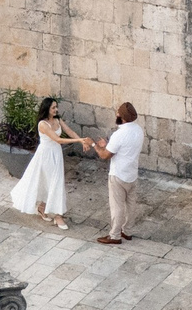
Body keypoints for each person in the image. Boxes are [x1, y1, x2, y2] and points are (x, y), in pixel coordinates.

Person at [8, 95, 84, 230]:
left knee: (54, 182)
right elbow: (57, 139)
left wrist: (82, 139)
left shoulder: (57, 119)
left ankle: (43, 207)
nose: (56, 109)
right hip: (46, 156)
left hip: (56, 154)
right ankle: (58, 215)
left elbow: (69, 131)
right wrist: (77, 141)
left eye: (56, 107)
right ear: (47, 109)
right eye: (53, 107)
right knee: (53, 182)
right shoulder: (43, 125)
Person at [93, 102, 146, 245]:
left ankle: (115, 235)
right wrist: (108, 144)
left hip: (118, 175)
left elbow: (105, 155)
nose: (116, 115)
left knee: (117, 207)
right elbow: (124, 147)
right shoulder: (139, 130)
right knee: (131, 205)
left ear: (121, 117)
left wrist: (95, 146)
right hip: (132, 174)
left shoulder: (119, 134)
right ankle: (127, 231)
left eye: (118, 113)